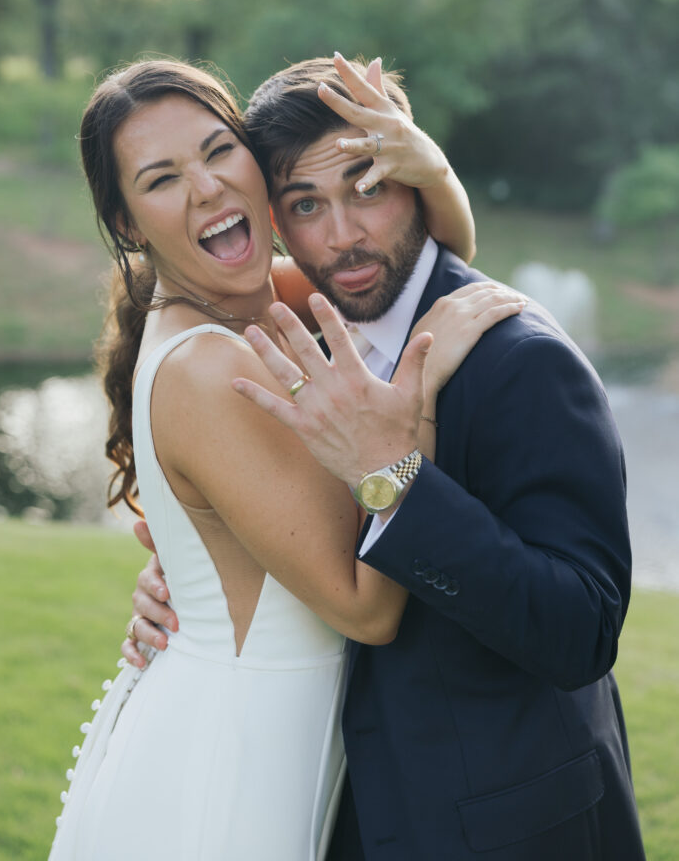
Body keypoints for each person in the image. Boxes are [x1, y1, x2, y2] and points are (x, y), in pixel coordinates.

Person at [130, 55, 646, 859]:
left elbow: (580, 630)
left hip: (508, 831)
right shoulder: (293, 327)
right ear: (274, 219)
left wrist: (398, 478)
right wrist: (199, 585)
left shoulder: (517, 357)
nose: (342, 235)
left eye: (370, 187)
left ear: (413, 183)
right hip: (337, 809)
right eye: (306, 204)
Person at [49, 56, 520, 861]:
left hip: (274, 743)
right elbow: (366, 609)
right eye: (162, 179)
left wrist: (426, 164)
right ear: (127, 223)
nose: (205, 189)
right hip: (228, 774)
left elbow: (423, 274)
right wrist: (418, 400)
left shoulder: (264, 302)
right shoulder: (207, 366)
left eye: (216, 150)